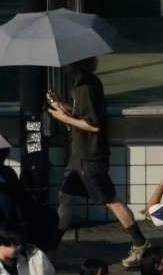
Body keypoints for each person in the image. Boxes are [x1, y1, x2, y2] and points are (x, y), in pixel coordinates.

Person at [48, 57, 148, 264]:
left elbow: (93, 125)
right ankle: (50, 249)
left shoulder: (87, 87)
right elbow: (81, 114)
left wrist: (63, 118)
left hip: (90, 157)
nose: (64, 63)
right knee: (65, 197)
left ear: (78, 62)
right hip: (80, 156)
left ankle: (141, 245)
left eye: (68, 59)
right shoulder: (87, 83)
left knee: (110, 201)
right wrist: (60, 103)